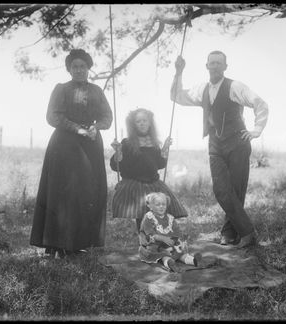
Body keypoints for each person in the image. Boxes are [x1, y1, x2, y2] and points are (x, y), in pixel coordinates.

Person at [171, 51, 269, 248]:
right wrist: (179, 72)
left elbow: (260, 104)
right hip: (215, 143)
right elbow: (177, 96)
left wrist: (256, 130)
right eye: (211, 63)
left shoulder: (235, 86)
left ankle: (229, 233)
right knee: (221, 189)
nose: (214, 66)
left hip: (238, 142)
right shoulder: (202, 89)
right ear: (206, 66)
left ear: (225, 67)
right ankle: (248, 232)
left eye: (218, 63)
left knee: (236, 189)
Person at [30, 49, 113, 258]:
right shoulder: (61, 89)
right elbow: (53, 117)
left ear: (88, 69)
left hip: (91, 146)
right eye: (74, 67)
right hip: (64, 146)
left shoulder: (97, 91)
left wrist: (97, 127)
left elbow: (107, 116)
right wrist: (78, 129)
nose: (78, 70)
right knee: (64, 193)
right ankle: (57, 243)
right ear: (69, 69)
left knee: (88, 192)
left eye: (82, 66)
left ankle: (80, 243)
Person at [110, 108, 188, 232]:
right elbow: (116, 166)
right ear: (133, 125)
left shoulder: (154, 143)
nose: (142, 123)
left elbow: (160, 164)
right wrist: (118, 152)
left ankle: (159, 239)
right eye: (138, 121)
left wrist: (165, 149)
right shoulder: (127, 143)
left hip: (153, 183)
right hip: (135, 184)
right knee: (143, 213)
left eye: (144, 120)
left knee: (161, 209)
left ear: (150, 122)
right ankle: (145, 240)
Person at [138, 192, 202, 272]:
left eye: (163, 204)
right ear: (150, 206)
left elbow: (177, 232)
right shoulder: (149, 217)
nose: (161, 207)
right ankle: (169, 263)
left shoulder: (170, 218)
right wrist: (163, 238)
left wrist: (180, 241)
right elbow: (150, 234)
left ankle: (193, 260)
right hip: (154, 245)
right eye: (158, 205)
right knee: (164, 255)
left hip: (169, 244)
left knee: (180, 252)